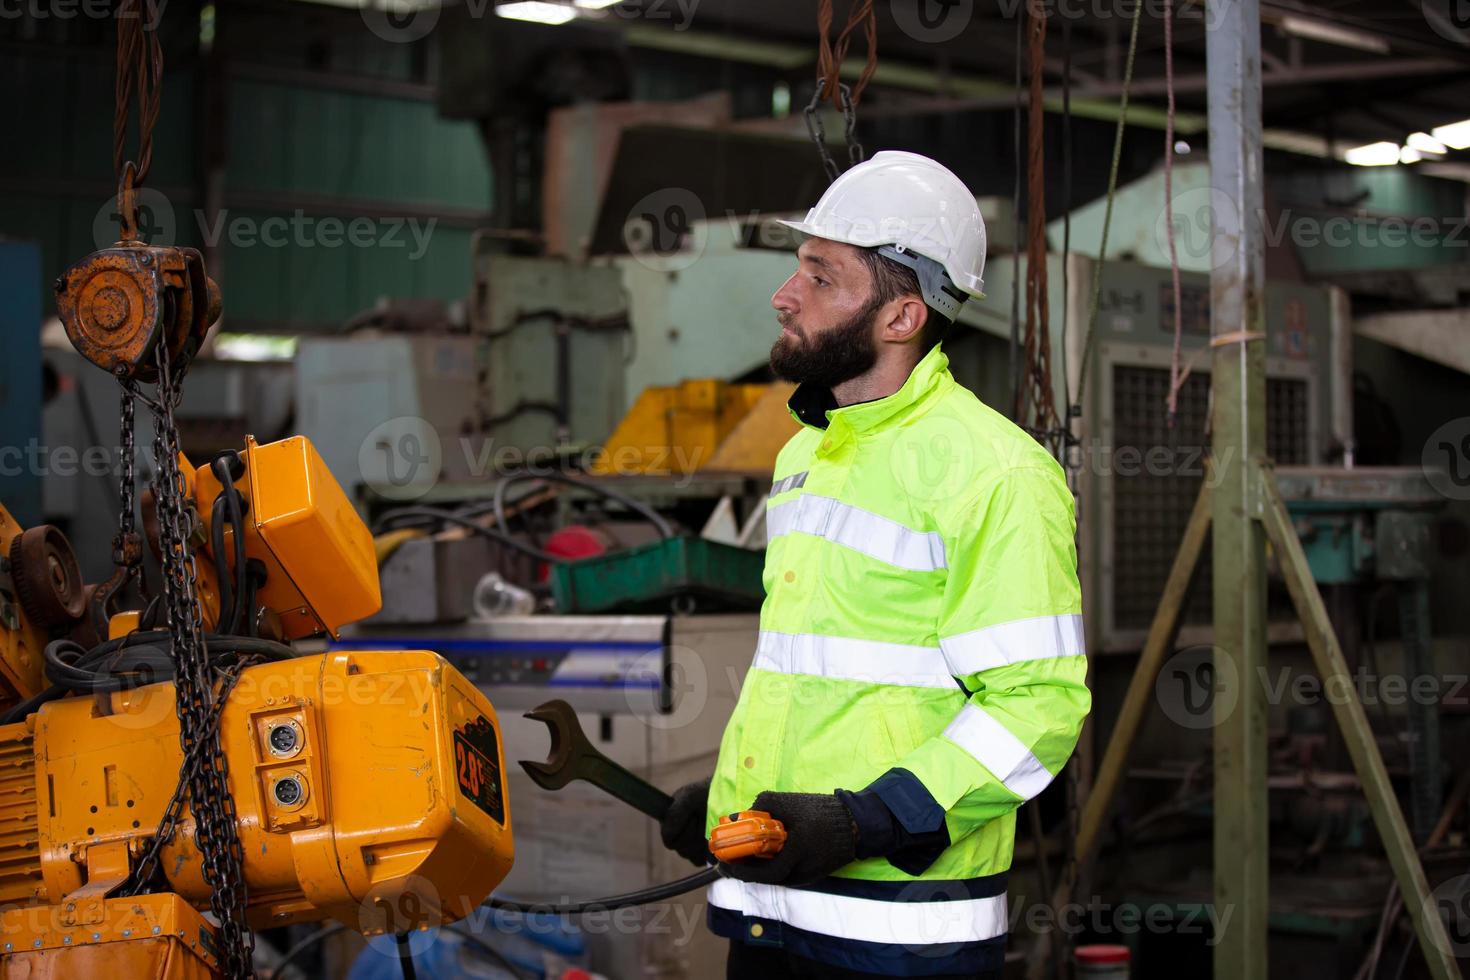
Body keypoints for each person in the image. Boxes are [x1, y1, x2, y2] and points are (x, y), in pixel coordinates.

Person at [660, 150, 1090, 979]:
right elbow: (811, 681)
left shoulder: (996, 472)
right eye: (797, 270)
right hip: (771, 909)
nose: (786, 296)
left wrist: (868, 822)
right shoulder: (804, 456)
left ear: (900, 319)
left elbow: (1038, 705)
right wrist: (722, 803)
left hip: (903, 936)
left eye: (822, 277)